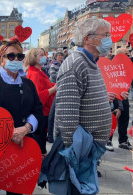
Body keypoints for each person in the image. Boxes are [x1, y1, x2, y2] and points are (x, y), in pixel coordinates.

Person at [53, 18, 113, 194]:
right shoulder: (75, 64)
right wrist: (73, 155)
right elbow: (66, 115)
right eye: (106, 35)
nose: (110, 40)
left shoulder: (92, 63)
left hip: (88, 149)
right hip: (79, 151)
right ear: (87, 38)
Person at [0, 37, 43, 195]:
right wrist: (9, 132)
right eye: (11, 56)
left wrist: (26, 128)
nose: (16, 59)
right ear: (1, 58)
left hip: (22, 144)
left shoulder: (28, 84)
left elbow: (37, 109)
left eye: (19, 56)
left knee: (16, 188)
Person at [25, 48, 56, 156]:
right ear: (34, 58)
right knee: (40, 138)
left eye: (44, 54)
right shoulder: (35, 74)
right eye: (41, 55)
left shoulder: (40, 71)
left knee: (42, 137)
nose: (44, 57)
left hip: (46, 110)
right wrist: (54, 88)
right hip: (42, 112)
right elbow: (38, 96)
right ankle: (40, 158)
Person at [108, 48, 132, 150]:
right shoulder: (111, 65)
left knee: (125, 117)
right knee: (112, 118)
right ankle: (108, 139)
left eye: (129, 53)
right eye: (126, 54)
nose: (129, 55)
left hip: (124, 95)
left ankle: (123, 140)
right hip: (113, 96)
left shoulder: (129, 65)